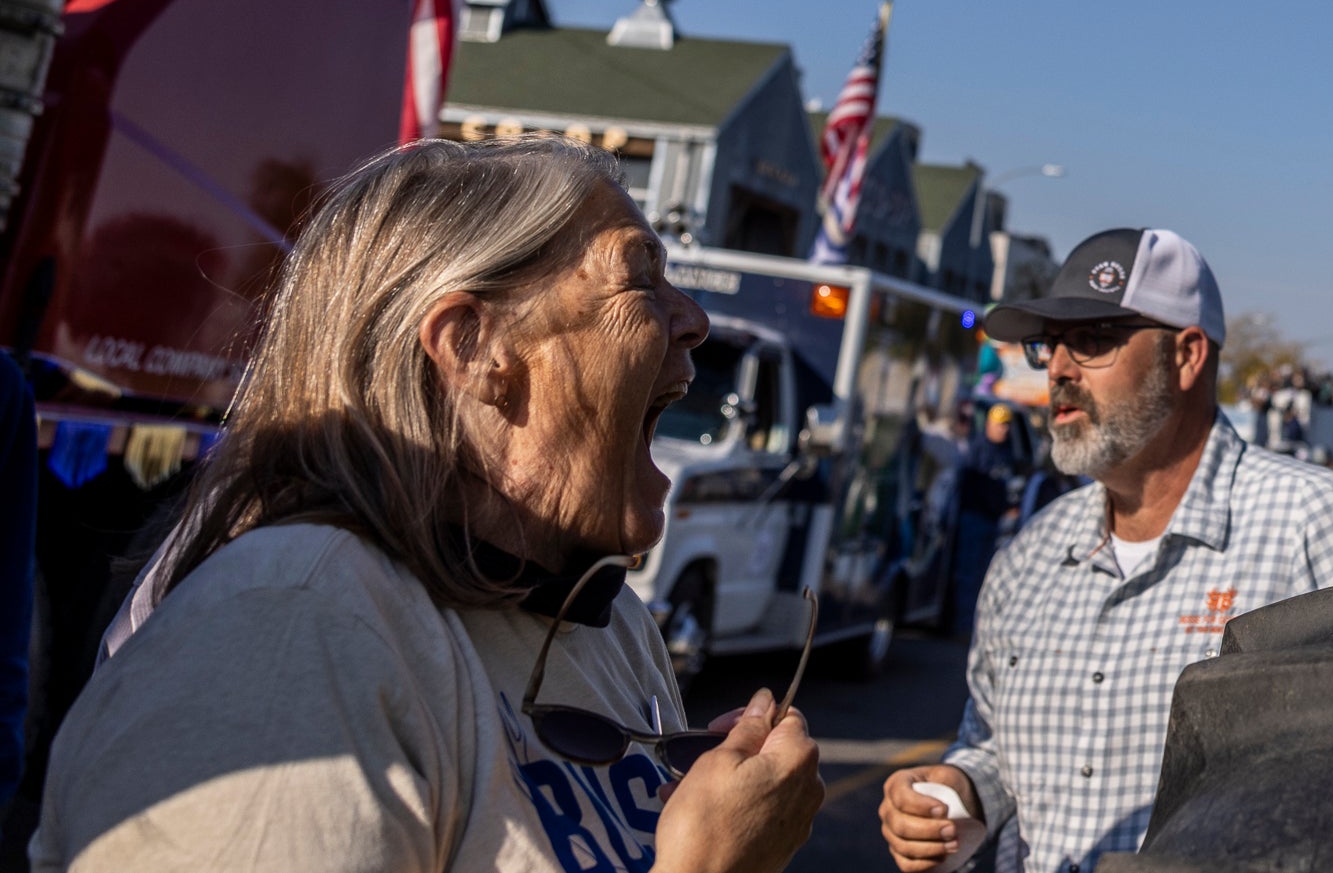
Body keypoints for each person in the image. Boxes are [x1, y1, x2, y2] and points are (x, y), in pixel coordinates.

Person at [36, 139, 823, 873]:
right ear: (474, 348)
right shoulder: (284, 629)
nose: (694, 320)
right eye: (639, 277)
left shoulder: (608, 623)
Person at [879, 227, 1333, 873]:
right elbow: (991, 746)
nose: (1058, 368)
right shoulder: (1028, 557)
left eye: (1092, 340)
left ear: (1187, 354)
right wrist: (960, 790)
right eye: (1048, 343)